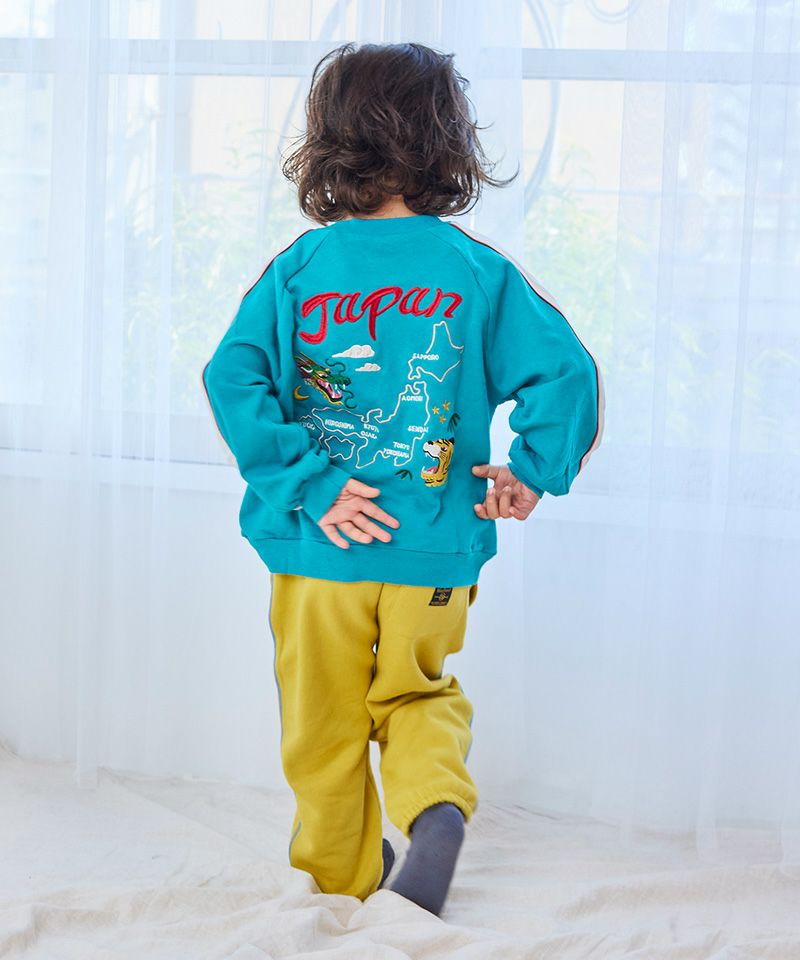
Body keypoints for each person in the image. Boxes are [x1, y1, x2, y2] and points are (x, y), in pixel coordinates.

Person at [201, 40, 605, 917]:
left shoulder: (301, 269)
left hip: (321, 549)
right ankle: (433, 812)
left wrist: (309, 483)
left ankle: (343, 877)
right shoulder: (477, 271)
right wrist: (530, 474)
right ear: (448, 143)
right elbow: (568, 374)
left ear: (328, 143)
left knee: (325, 719)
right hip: (433, 549)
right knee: (416, 691)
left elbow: (232, 378)